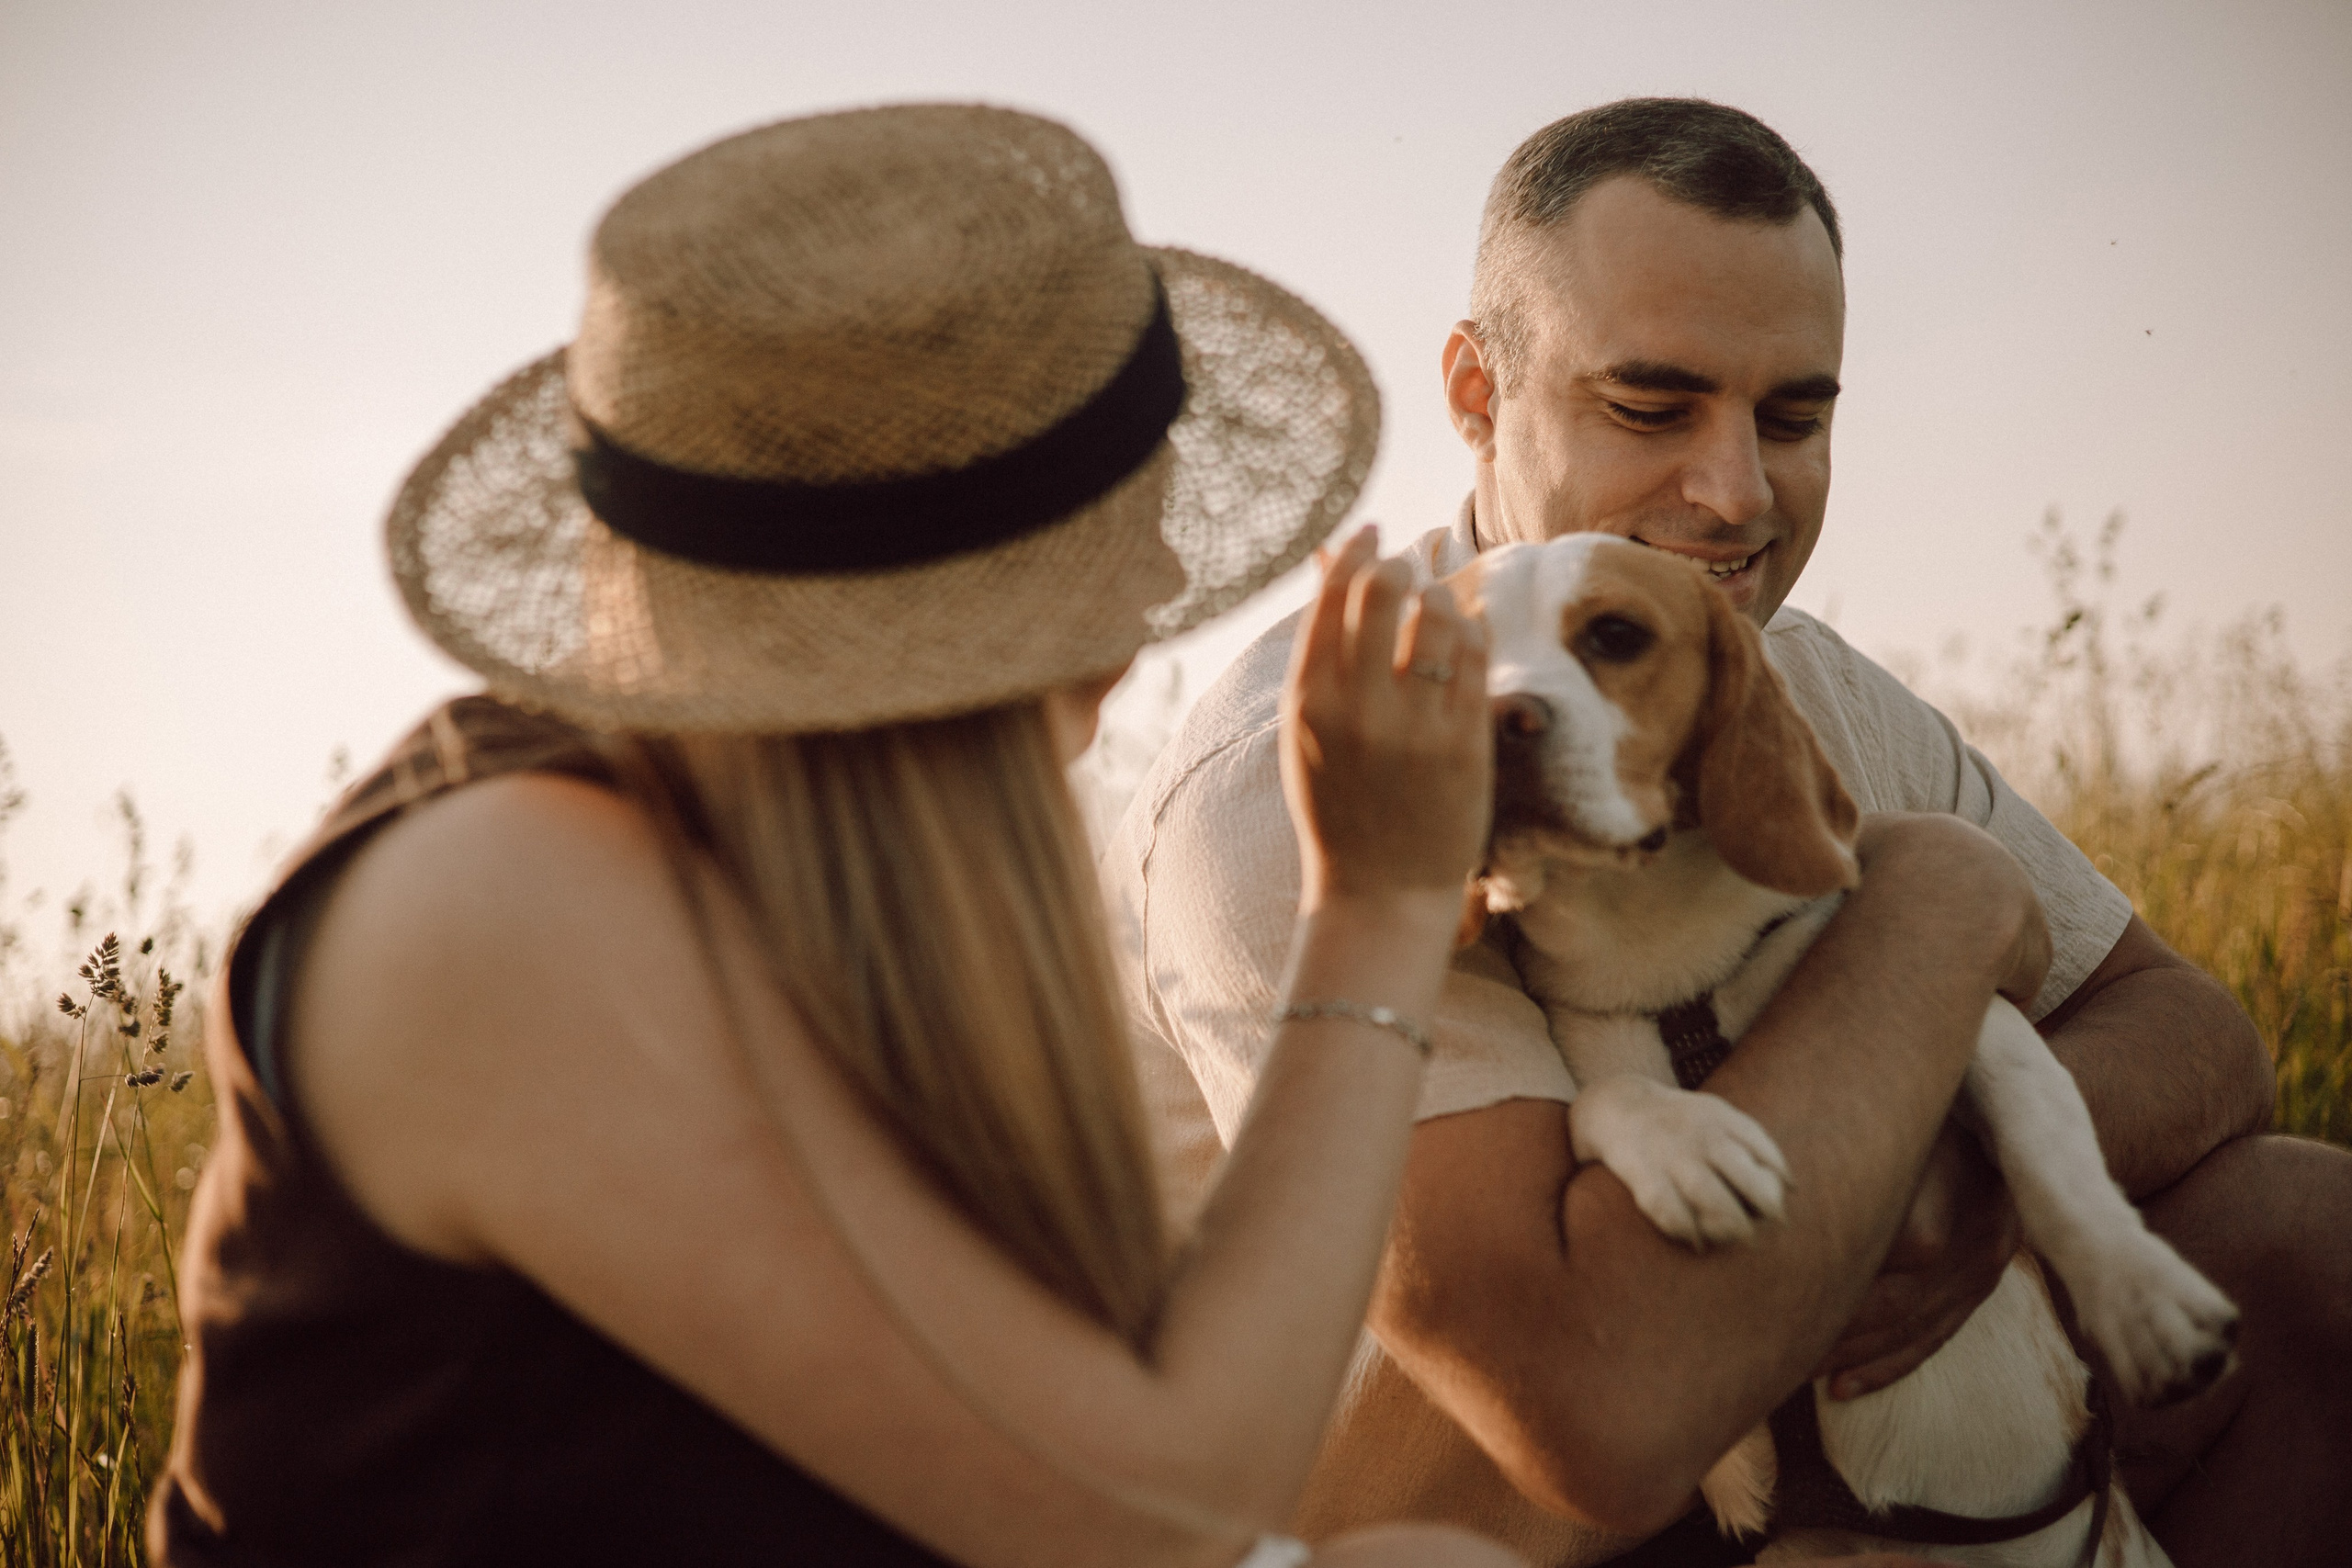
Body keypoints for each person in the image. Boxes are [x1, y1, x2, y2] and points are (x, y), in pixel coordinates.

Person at [148, 103, 1550, 1568]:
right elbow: (1160, 1516)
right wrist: (1376, 909)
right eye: (1120, 516)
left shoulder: (828, 892)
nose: (1167, 567)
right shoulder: (491, 904)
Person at [1106, 97, 2352, 1568]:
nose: (1737, 494)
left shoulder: (1789, 675)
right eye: (1651, 406)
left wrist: (1955, 1186)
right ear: (1476, 391)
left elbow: (2189, 1028)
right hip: (1469, 1510)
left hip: (1805, 1427)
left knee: (2301, 1230)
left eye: (1794, 416)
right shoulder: (1313, 764)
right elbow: (1592, 1414)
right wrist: (1938, 912)